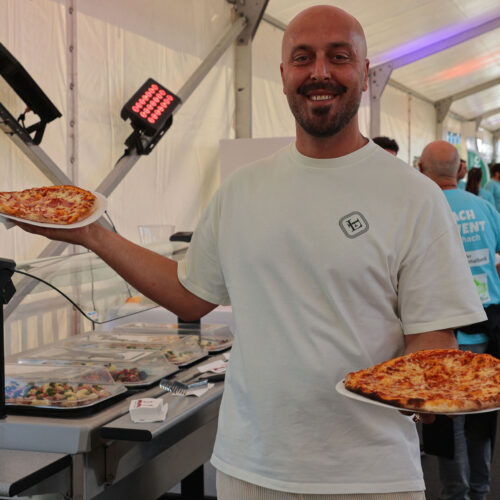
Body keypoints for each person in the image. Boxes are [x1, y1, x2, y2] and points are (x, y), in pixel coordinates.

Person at [16, 5, 486, 499]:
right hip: (250, 468)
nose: (319, 72)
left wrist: (423, 385)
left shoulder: (414, 196)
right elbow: (189, 294)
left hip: (371, 475)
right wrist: (94, 235)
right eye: (302, 58)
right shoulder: (241, 190)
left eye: (338, 56)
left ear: (365, 73)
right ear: (283, 75)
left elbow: (432, 332)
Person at [418, 140, 500, 500]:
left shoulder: (421, 210)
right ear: (460, 170)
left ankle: (457, 493)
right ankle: (480, 490)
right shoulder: (485, 208)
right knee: (482, 420)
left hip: (440, 334)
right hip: (486, 331)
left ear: (421, 169)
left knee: (448, 424)